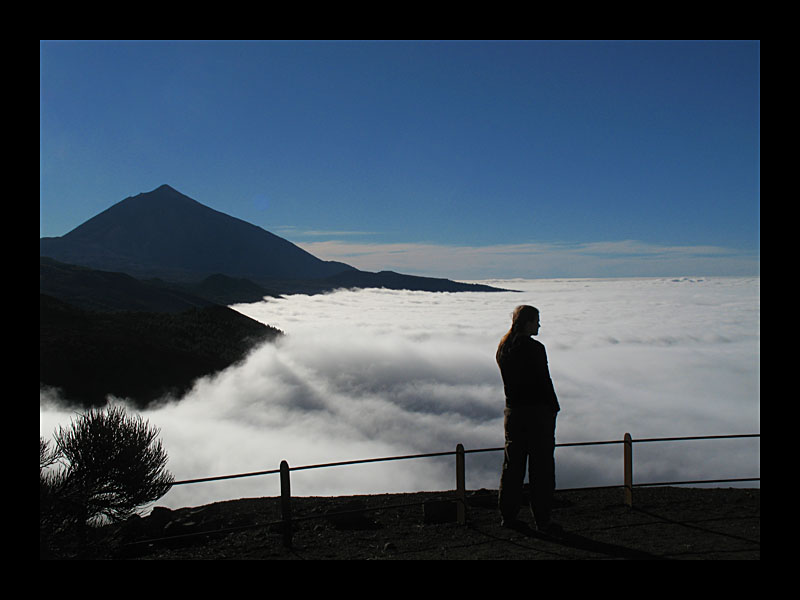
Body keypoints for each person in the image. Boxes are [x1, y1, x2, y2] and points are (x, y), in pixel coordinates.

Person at [496, 304, 562, 534]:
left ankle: (508, 515)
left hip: (513, 413)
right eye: (536, 321)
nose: (539, 325)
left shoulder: (503, 348)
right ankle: (543, 520)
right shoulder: (535, 349)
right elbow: (545, 382)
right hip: (537, 415)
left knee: (512, 466)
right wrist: (554, 407)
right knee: (541, 468)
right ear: (527, 322)